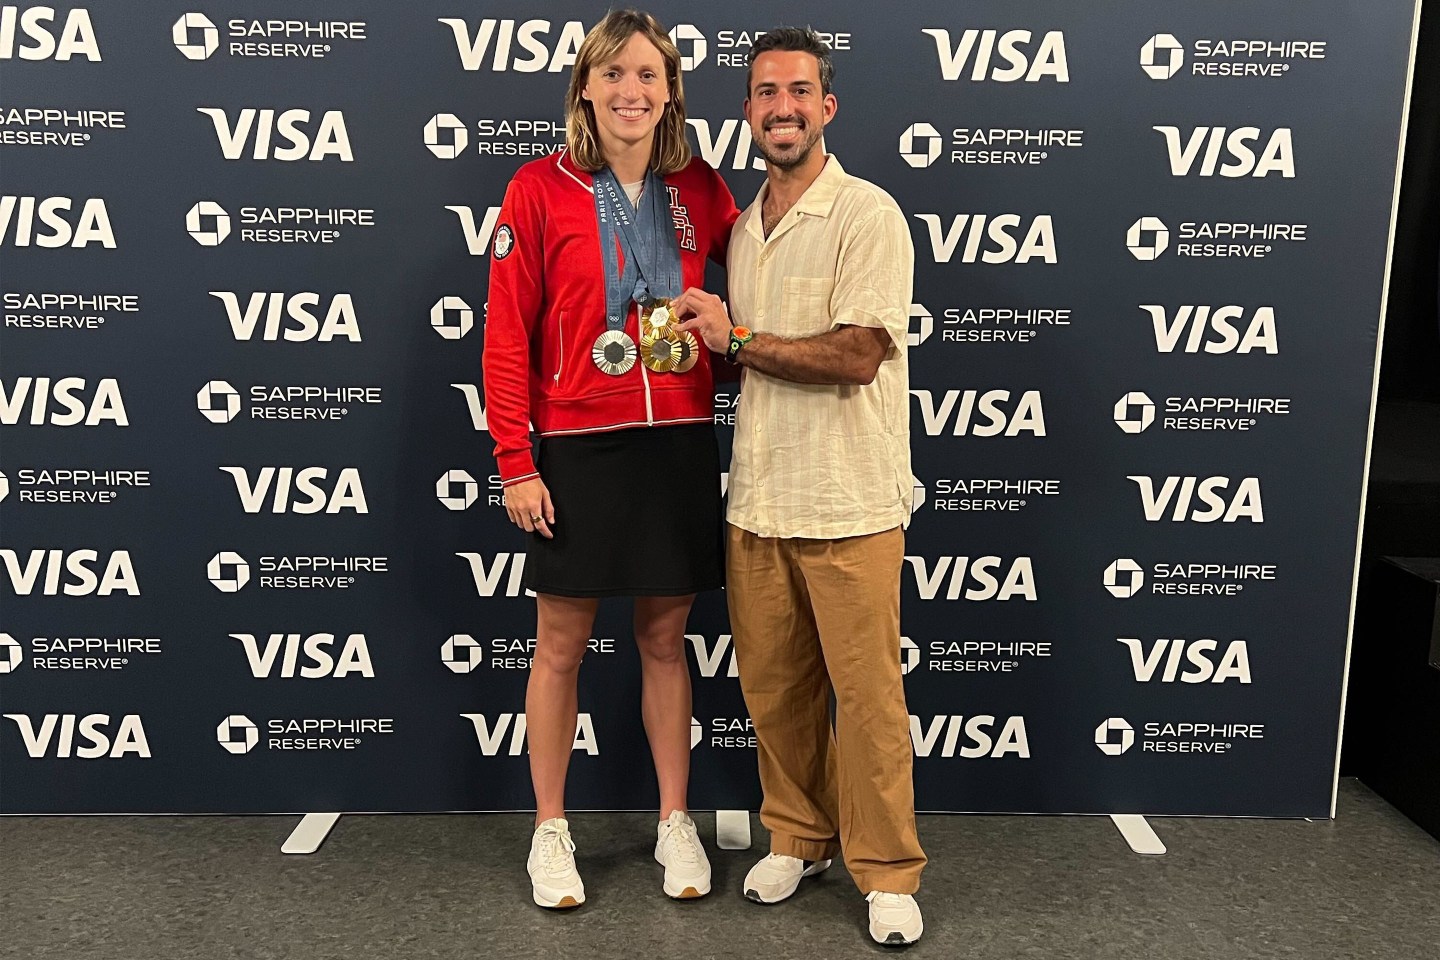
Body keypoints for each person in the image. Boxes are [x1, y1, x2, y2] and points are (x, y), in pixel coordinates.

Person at [672, 26, 926, 946]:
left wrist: (735, 341)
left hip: (852, 502)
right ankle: (799, 836)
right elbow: (751, 364)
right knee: (775, 695)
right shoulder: (741, 229)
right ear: (747, 112)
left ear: (827, 107)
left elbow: (857, 354)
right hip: (760, 500)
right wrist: (686, 346)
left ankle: (889, 868)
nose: (782, 108)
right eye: (764, 93)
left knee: (867, 703)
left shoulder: (869, 214)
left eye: (799, 92)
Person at [482, 8, 739, 910]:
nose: (632, 91)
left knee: (667, 641)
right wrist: (517, 461)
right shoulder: (537, 189)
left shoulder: (701, 189)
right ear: (586, 87)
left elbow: (742, 307)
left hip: (673, 437)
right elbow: (506, 337)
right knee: (560, 646)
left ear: (670, 91)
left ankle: (675, 820)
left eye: (649, 75)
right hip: (578, 444)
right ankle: (551, 829)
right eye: (614, 74)